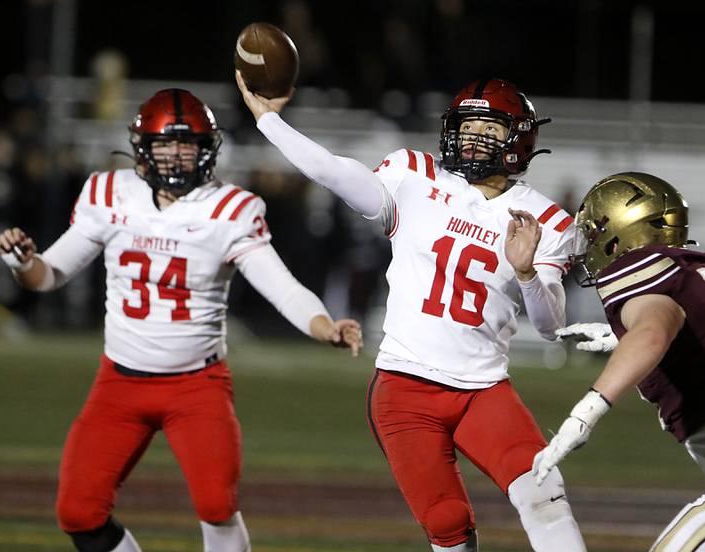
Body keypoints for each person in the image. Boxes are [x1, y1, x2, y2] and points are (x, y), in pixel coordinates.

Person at [0, 88, 362, 552]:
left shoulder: (230, 208)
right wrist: (22, 263)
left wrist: (324, 325)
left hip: (196, 386)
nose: (176, 155)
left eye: (187, 144)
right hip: (119, 383)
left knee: (216, 505)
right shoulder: (111, 194)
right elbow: (47, 276)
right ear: (143, 148)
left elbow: (282, 286)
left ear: (207, 149)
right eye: (166, 144)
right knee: (78, 511)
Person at [236, 73, 587, 552]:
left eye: (491, 130)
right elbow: (332, 171)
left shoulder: (545, 219)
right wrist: (270, 122)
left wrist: (527, 273)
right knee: (448, 525)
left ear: (518, 141)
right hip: (404, 388)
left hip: (482, 389)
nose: (475, 138)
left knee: (545, 495)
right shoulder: (412, 176)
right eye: (469, 126)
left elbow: (551, 328)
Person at [532, 172, 705, 551]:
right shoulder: (693, 265)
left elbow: (654, 332)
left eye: (593, 234)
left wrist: (584, 414)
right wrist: (618, 336)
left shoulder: (641, 267)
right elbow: (704, 333)